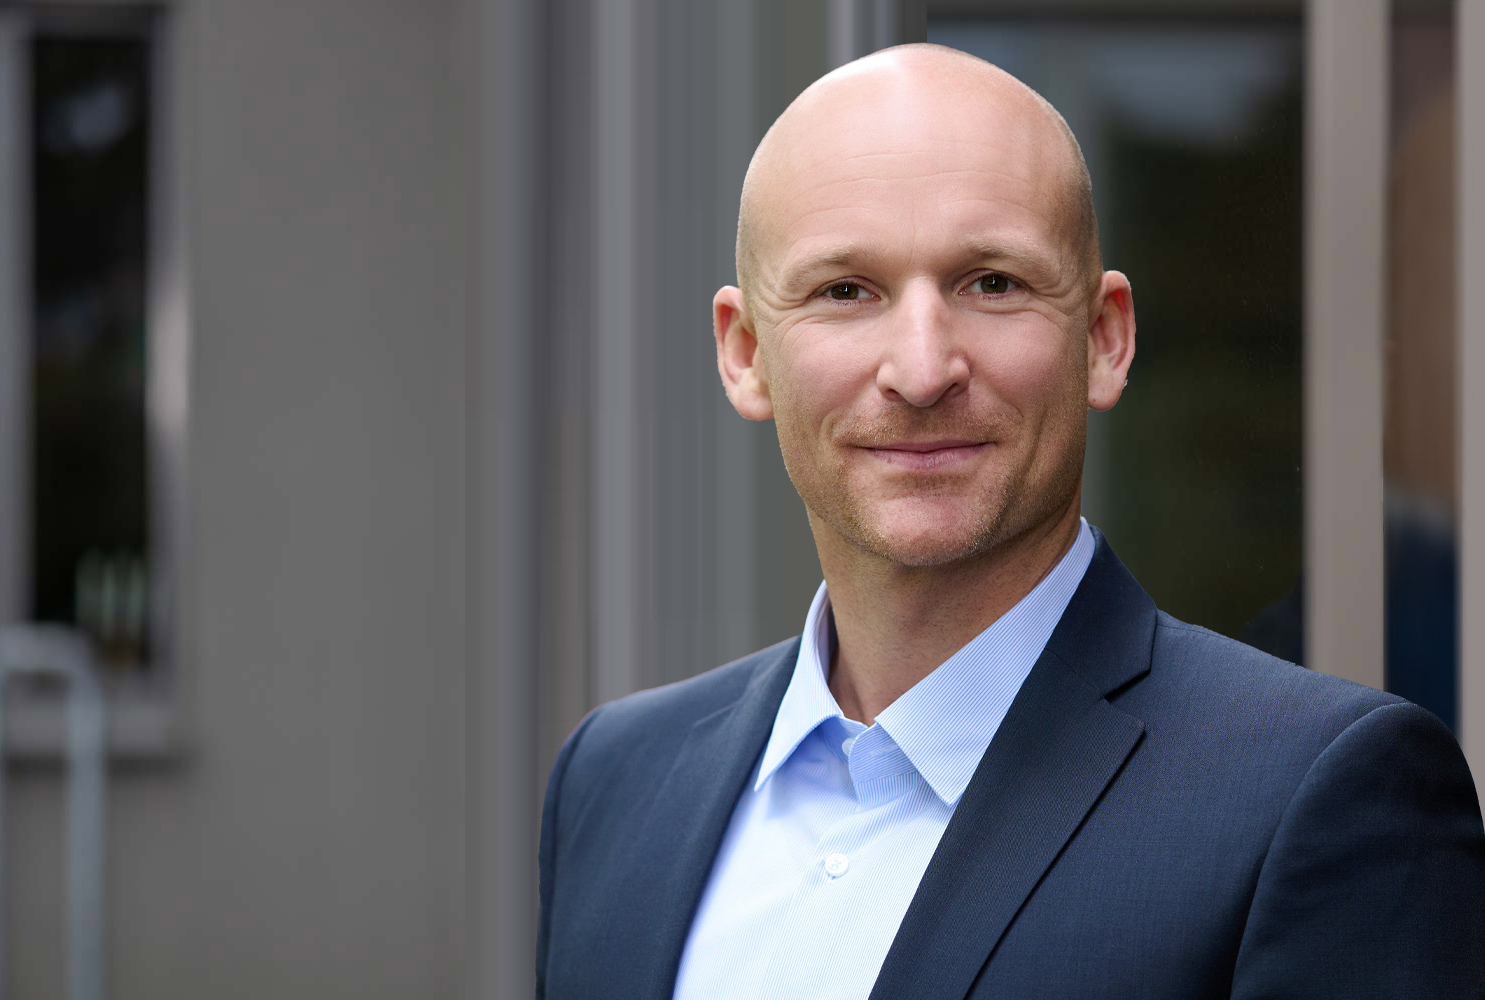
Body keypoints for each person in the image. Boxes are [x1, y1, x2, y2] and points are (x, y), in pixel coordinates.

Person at [535, 44, 1485, 999]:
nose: (920, 369)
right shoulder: (615, 781)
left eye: (991, 282)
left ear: (1105, 340)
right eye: (845, 292)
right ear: (744, 354)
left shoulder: (1319, 796)